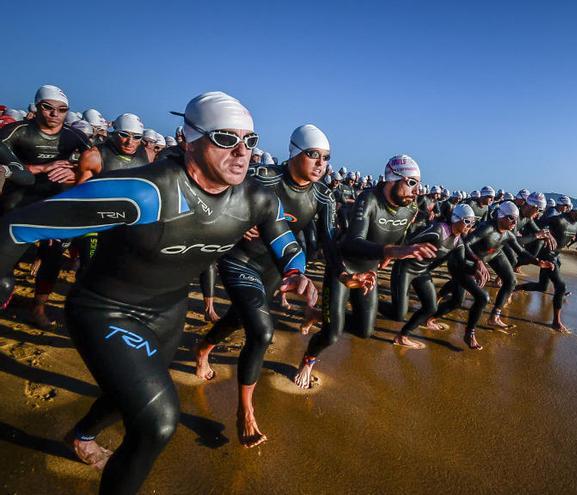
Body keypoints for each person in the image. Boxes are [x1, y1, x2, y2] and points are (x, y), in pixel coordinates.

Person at [0, 91, 314, 495]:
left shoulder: (256, 199)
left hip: (168, 310)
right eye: (224, 139)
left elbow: (287, 243)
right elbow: (18, 225)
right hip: (105, 310)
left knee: (127, 393)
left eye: (249, 141)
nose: (241, 152)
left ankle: (80, 436)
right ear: (189, 139)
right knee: (158, 422)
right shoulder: (144, 192)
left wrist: (296, 271)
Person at [193, 124, 342, 447]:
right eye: (312, 155)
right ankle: (245, 412)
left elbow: (329, 242)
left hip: (276, 267)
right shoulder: (263, 177)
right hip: (240, 259)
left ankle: (204, 347)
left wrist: (345, 273)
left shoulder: (322, 195)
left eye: (326, 158)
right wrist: (238, 222)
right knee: (261, 331)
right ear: (294, 153)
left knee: (237, 318)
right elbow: (220, 197)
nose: (320, 164)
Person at [292, 154, 437, 389]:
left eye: (418, 183)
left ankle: (317, 315)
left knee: (365, 331)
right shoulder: (369, 199)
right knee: (332, 335)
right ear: (392, 178)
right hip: (344, 268)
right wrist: (392, 251)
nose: (417, 190)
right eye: (411, 182)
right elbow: (352, 242)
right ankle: (308, 360)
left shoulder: (411, 207)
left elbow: (399, 234)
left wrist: (388, 255)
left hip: (369, 272)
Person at [0, 85, 91, 327]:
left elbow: (94, 168)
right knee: (7, 260)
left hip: (53, 206)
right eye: (48, 108)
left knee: (51, 258)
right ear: (38, 107)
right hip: (17, 202)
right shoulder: (17, 131)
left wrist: (74, 172)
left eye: (62, 110)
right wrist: (42, 168)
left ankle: (38, 308)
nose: (55, 114)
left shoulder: (75, 137)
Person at [434, 201, 554, 338]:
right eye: (511, 218)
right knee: (458, 286)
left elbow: (520, 251)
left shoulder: (508, 234)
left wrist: (538, 262)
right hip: (473, 258)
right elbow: (464, 243)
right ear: (501, 216)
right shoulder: (487, 228)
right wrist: (477, 261)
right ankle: (439, 296)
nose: (515, 223)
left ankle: (494, 317)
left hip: (494, 254)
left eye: (516, 219)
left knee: (511, 281)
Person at [382, 203, 477, 348]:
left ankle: (403, 336)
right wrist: (389, 254)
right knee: (399, 313)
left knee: (431, 308)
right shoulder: (438, 230)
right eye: (467, 221)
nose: (470, 225)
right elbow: (409, 239)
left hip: (422, 271)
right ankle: (366, 301)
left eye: (473, 222)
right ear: (456, 219)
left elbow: (461, 264)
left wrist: (476, 269)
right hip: (405, 268)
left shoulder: (458, 241)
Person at [516, 199, 577, 333]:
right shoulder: (558, 219)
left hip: (555, 255)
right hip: (546, 253)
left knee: (542, 286)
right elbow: (537, 224)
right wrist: (544, 235)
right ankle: (556, 321)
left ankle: (516, 288)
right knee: (561, 286)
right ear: (576, 211)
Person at [76, 113, 150, 183]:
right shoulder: (93, 157)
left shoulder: (148, 155)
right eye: (124, 135)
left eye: (137, 137)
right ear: (114, 134)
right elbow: (81, 193)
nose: (130, 142)